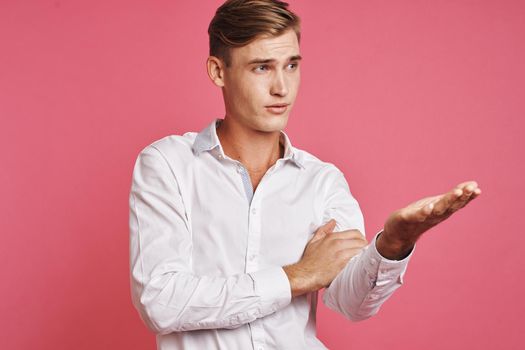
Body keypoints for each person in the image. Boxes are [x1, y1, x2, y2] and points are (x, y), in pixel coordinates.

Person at [128, 1, 481, 349]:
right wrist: (298, 275)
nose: (282, 87)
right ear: (219, 71)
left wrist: (393, 244)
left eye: (291, 65)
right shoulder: (167, 164)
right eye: (262, 68)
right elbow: (161, 302)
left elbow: (352, 304)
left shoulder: (322, 181)